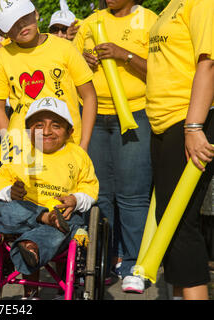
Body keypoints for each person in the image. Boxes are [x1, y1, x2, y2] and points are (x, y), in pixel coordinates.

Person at [73, 0, 157, 293]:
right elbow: (71, 69)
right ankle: (102, 263)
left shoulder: (150, 21)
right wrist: (83, 61)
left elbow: (159, 71)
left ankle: (136, 264)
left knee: (133, 195)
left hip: (135, 115)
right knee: (100, 194)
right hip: (93, 117)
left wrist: (125, 55)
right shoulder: (89, 22)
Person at [0, 97, 99, 299]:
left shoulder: (78, 155)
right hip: (25, 212)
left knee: (60, 230)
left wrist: (75, 199)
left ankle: (32, 255)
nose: (46, 131)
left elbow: (90, 187)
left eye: (56, 125)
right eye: (39, 125)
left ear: (70, 131)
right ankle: (42, 221)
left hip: (60, 217)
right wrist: (9, 192)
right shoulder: (20, 152)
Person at [145, 0, 214, 300]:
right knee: (169, 224)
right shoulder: (173, 5)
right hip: (163, 125)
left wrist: (194, 126)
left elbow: (209, 63)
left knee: (182, 224)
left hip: (186, 122)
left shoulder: (204, 4)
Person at [0, 0, 97, 153]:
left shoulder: (65, 48)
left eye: (24, 16)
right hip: (23, 146)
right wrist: (11, 142)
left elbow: (89, 96)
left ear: (35, 13)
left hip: (66, 142)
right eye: (12, 22)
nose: (21, 25)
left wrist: (84, 143)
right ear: (1, 30)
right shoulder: (2, 57)